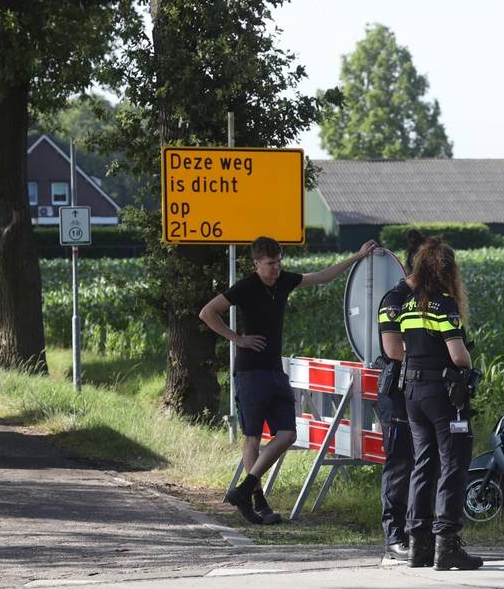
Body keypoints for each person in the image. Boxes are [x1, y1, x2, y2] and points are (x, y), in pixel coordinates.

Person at [200, 235, 376, 524]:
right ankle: (257, 501)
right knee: (252, 438)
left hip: (275, 371)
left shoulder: (284, 281)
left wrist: (356, 257)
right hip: (250, 372)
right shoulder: (246, 287)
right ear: (256, 263)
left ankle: (243, 490)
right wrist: (237, 339)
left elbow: (321, 276)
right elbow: (207, 312)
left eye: (279, 262)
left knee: (287, 435)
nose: (276, 268)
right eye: (270, 264)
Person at [391, 237, 483, 570]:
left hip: (412, 394)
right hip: (442, 394)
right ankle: (447, 544)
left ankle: (419, 545)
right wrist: (470, 365)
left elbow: (401, 348)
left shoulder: (407, 306)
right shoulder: (444, 305)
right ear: (447, 270)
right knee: (454, 463)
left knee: (423, 464)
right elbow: (458, 355)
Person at [374, 230, 425, 561]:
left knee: (425, 462)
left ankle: (418, 529)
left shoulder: (430, 299)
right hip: (397, 392)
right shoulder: (394, 300)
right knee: (401, 462)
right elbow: (393, 349)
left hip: (424, 390)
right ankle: (394, 534)